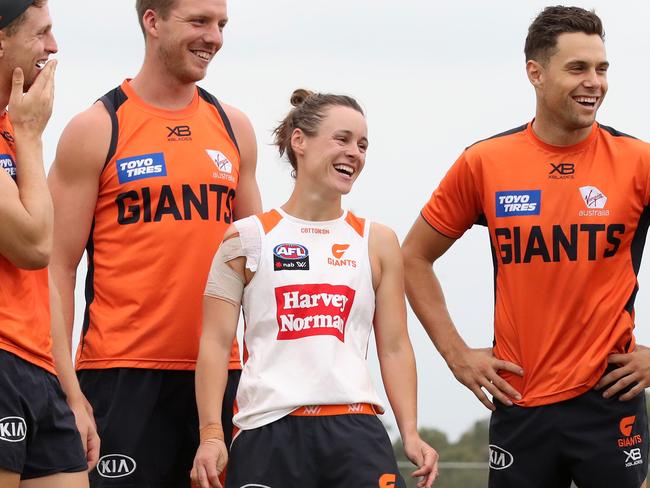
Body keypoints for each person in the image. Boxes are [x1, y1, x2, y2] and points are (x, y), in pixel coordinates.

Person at [402, 5, 650, 488]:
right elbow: (413, 257)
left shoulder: (638, 161)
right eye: (577, 68)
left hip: (608, 397)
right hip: (520, 400)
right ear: (535, 73)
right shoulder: (486, 162)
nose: (594, 82)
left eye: (601, 69)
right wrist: (456, 355)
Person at [47, 0, 261, 486]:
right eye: (200, 22)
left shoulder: (234, 128)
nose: (215, 38)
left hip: (220, 378)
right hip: (122, 375)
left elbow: (257, 265)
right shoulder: (98, 126)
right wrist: (67, 391)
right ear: (152, 21)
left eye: (222, 24)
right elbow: (55, 267)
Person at [190, 89, 438, 488]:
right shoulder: (245, 237)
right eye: (341, 139)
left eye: (362, 145)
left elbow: (394, 345)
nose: (354, 153)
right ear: (299, 141)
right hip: (268, 431)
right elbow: (216, 343)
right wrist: (211, 435)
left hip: (354, 432)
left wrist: (410, 431)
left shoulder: (378, 240)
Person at [0, 1, 99, 487]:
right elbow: (34, 245)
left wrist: (71, 393)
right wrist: (30, 135)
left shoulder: (13, 131)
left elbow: (43, 278)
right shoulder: (22, 133)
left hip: (37, 368)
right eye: (41, 33)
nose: (54, 47)